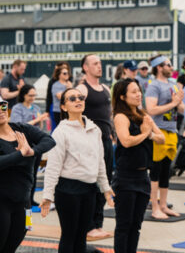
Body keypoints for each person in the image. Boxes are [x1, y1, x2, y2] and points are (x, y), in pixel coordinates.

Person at [41, 88, 115, 253]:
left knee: (81, 237)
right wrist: (47, 195)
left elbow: (100, 162)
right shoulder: (61, 132)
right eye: (72, 98)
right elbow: (53, 166)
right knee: (69, 235)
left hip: (89, 189)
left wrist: (105, 188)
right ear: (64, 107)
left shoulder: (94, 129)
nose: (77, 100)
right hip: (67, 190)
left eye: (80, 97)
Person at [112, 78, 165, 253]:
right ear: (122, 97)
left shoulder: (144, 116)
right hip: (125, 177)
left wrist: (148, 134)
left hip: (143, 177)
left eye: (139, 91)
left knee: (136, 225)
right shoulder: (120, 117)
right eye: (133, 92)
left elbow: (161, 138)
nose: (138, 94)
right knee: (124, 225)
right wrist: (145, 133)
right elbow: (126, 141)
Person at [0, 99, 55, 253]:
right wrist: (20, 154)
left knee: (12, 246)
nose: (1, 110)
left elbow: (49, 140)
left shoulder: (21, 129)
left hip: (24, 204)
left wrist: (32, 151)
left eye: (3, 106)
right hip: (2, 203)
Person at [76, 54, 114, 239]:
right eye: (95, 64)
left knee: (105, 182)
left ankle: (98, 223)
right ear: (85, 67)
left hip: (106, 141)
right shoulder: (82, 88)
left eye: (100, 63)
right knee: (91, 183)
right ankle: (89, 224)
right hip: (90, 143)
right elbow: (74, 113)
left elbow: (109, 114)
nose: (99, 66)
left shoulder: (106, 88)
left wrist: (113, 132)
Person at [145, 55, 184, 219]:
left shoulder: (173, 85)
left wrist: (179, 102)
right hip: (158, 130)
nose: (171, 67)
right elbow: (151, 110)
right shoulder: (154, 86)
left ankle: (163, 205)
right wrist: (173, 103)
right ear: (159, 67)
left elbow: (181, 109)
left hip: (172, 130)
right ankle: (154, 207)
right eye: (168, 65)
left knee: (166, 170)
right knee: (156, 170)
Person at [11, 85, 50, 207]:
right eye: (30, 95)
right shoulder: (18, 108)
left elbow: (40, 126)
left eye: (34, 95)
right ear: (24, 95)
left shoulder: (36, 108)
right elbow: (17, 126)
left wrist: (41, 121)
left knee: (33, 173)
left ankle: (31, 199)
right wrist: (36, 120)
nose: (33, 98)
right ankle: (23, 198)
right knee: (23, 173)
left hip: (35, 144)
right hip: (23, 143)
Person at [51, 65, 73, 130]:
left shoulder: (69, 84)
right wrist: (68, 89)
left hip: (68, 110)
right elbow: (60, 97)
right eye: (64, 73)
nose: (67, 75)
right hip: (58, 111)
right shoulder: (56, 85)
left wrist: (70, 88)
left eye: (68, 73)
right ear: (59, 75)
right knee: (61, 129)